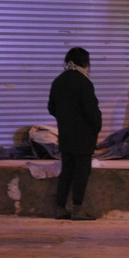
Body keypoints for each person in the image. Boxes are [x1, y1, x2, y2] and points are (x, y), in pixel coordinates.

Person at [48, 47, 102, 220]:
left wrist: (65, 120)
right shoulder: (84, 82)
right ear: (85, 63)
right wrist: (96, 127)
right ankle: (77, 208)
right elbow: (91, 110)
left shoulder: (58, 81)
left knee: (67, 171)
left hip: (65, 134)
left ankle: (60, 208)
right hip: (83, 136)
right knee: (81, 171)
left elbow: (51, 107)